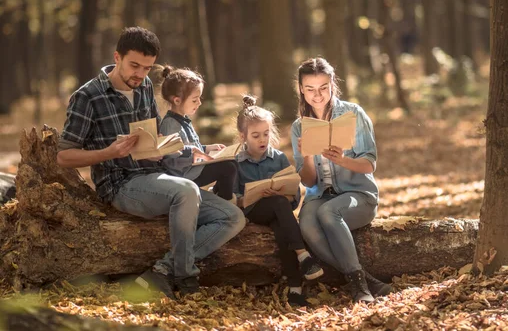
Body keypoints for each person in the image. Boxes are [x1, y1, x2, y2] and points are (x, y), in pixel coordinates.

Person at [56, 26, 245, 299]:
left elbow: (155, 136)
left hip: (158, 175)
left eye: (147, 68)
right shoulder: (87, 97)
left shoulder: (144, 86)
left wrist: (162, 149)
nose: (140, 74)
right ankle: (185, 276)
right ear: (117, 57)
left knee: (232, 217)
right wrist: (108, 152)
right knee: (186, 190)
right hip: (121, 184)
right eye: (134, 65)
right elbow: (64, 156)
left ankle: (163, 271)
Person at [291, 57, 392, 303]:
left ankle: (360, 288)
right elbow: (309, 182)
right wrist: (305, 157)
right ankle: (365, 279)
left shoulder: (353, 114)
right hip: (321, 194)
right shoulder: (299, 127)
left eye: (323, 87)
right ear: (301, 89)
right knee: (306, 224)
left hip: (359, 196)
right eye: (310, 89)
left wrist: (342, 160)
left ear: (332, 84)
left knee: (328, 213)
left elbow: (370, 163)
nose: (317, 95)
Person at [234, 95, 323, 307]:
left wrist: (287, 194)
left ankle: (295, 289)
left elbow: (293, 198)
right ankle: (303, 256)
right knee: (278, 205)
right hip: (253, 212)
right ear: (243, 137)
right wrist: (249, 197)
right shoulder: (235, 163)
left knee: (282, 227)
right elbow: (232, 199)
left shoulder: (279, 158)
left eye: (266, 134)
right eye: (255, 136)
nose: (262, 140)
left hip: (278, 212)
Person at [159, 66, 237, 204]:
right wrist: (195, 152)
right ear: (177, 101)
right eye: (195, 100)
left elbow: (193, 145)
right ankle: (227, 202)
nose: (199, 103)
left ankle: (219, 193)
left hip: (193, 168)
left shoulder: (183, 119)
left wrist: (208, 148)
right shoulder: (171, 124)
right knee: (228, 167)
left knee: (231, 162)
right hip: (184, 173)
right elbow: (171, 152)